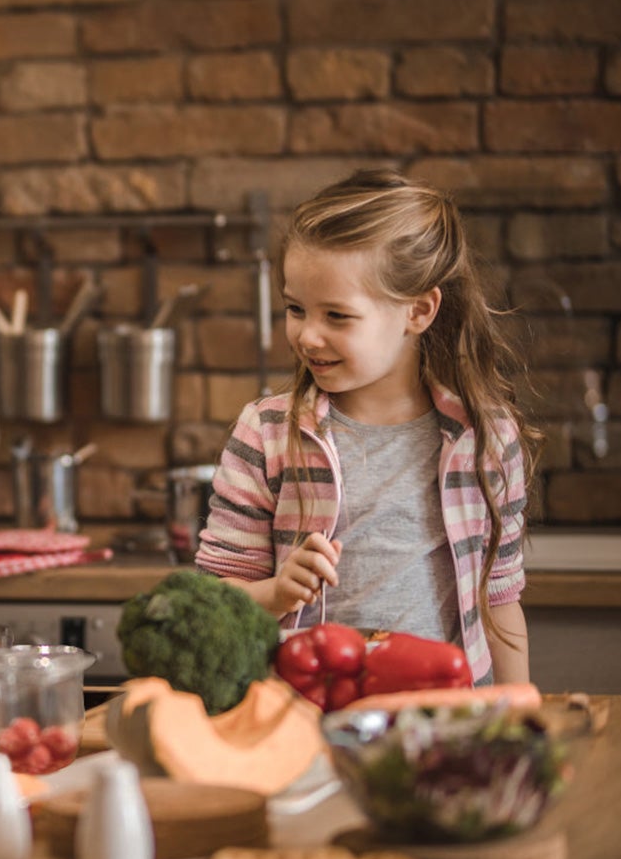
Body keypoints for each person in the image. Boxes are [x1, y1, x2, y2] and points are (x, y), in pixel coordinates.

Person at [194, 170, 536, 686]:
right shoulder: (266, 434)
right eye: (295, 309)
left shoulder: (485, 438)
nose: (307, 336)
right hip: (305, 713)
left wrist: (522, 713)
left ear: (418, 311)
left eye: (337, 315)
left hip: (446, 713)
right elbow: (213, 600)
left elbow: (501, 600)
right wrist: (276, 593)